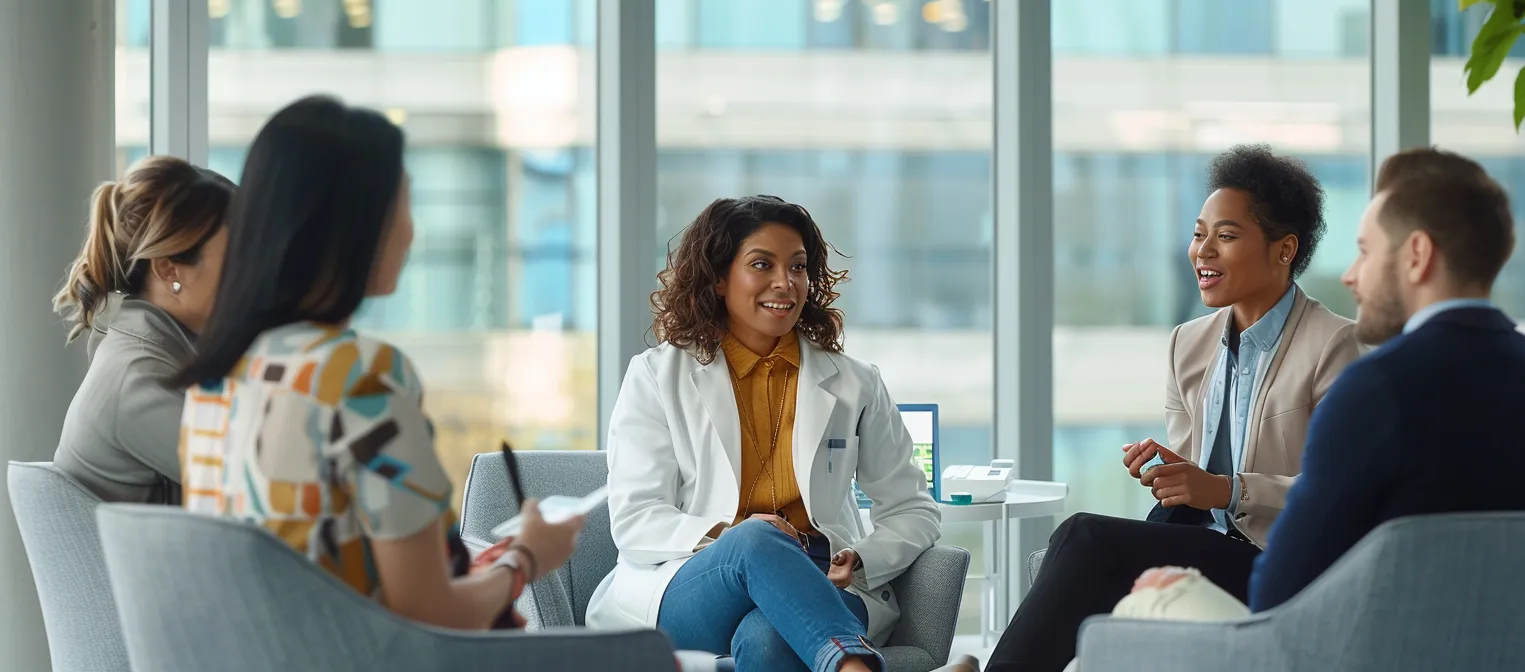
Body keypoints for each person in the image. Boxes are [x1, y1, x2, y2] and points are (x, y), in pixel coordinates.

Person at [170, 95, 584, 630]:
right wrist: (525, 557)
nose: (411, 231)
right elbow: (429, 614)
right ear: (357, 225)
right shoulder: (360, 377)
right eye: (402, 204)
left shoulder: (212, 382)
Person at [985, 145, 1363, 672]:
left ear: (1284, 249)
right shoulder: (1189, 343)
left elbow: (1342, 495)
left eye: (1226, 236)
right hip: (1199, 544)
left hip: (1277, 561)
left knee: (1083, 537)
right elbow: (1191, 481)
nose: (1202, 251)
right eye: (1198, 233)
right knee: (1077, 548)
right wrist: (1170, 471)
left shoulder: (1336, 345)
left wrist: (1229, 489)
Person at [1245, 147, 1525, 611]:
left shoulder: (1373, 391)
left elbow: (1278, 595)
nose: (1350, 276)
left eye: (1364, 251)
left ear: (1417, 255)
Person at [588, 195, 942, 672]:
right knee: (756, 541)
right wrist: (731, 534)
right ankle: (853, 666)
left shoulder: (855, 382)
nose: (786, 283)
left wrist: (860, 557)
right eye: (762, 264)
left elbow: (912, 508)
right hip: (697, 583)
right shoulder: (656, 376)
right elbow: (635, 518)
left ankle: (842, 661)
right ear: (717, 277)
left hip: (822, 578)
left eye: (798, 267)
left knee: (771, 638)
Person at [53, 156, 233, 504]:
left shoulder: (159, 355)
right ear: (170, 271)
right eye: (237, 257)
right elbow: (259, 487)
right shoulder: (138, 381)